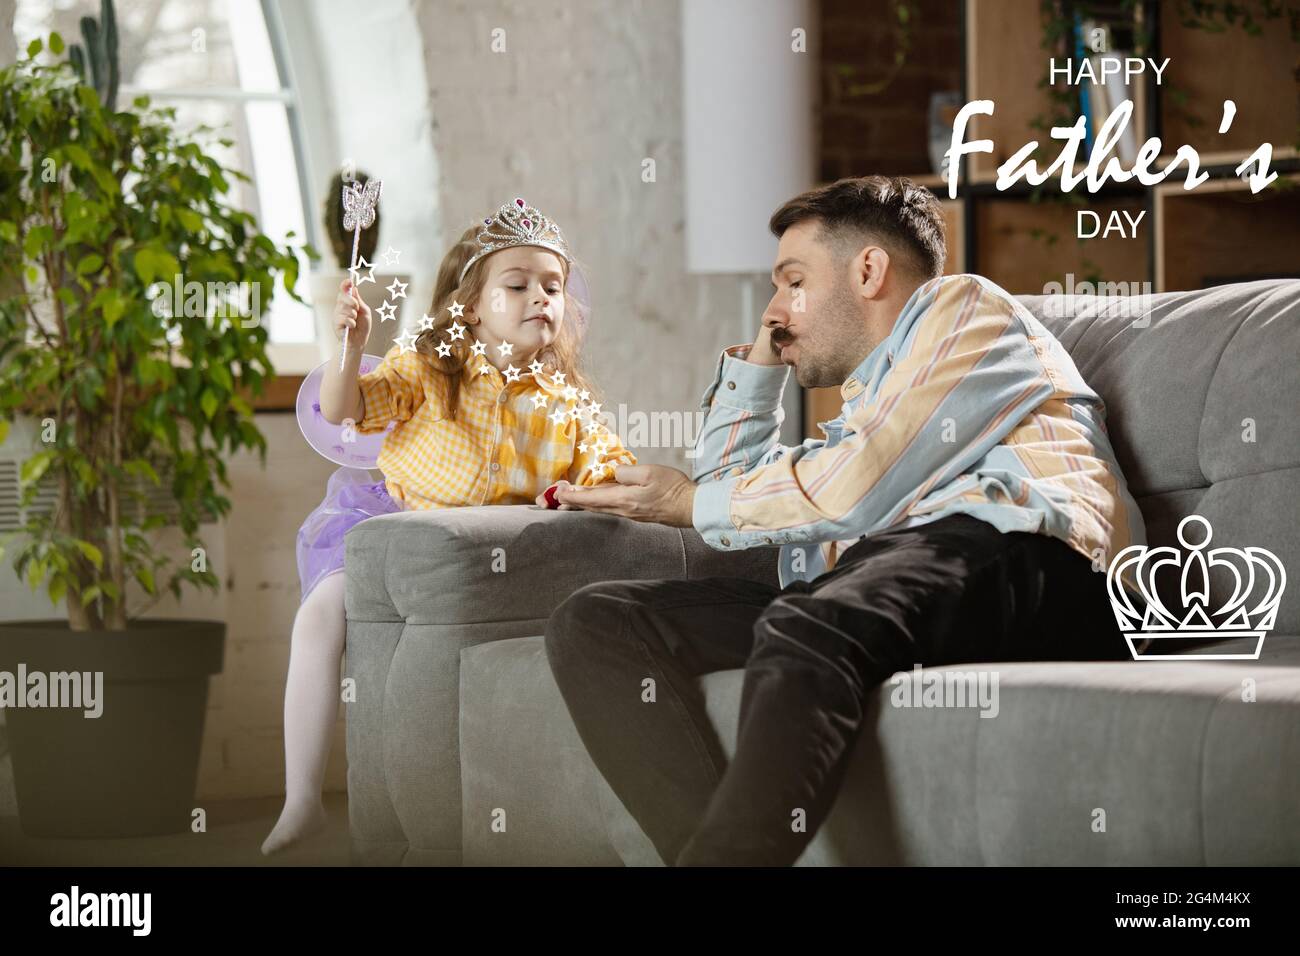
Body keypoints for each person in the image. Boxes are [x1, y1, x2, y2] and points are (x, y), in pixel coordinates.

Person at [543, 175, 1146, 866]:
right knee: (598, 623)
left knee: (807, 622)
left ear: (868, 269)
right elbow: (728, 495)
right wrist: (765, 358)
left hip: (1035, 558)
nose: (774, 306)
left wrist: (684, 504)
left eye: (791, 280)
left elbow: (856, 483)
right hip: (897, 579)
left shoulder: (966, 309)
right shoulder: (861, 413)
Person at [262, 198, 635, 855]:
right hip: (394, 522)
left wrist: (616, 493)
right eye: (517, 284)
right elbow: (346, 410)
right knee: (319, 615)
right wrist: (351, 350)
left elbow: (612, 471)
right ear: (469, 304)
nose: (540, 297)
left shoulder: (567, 405)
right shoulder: (427, 370)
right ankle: (301, 800)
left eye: (553, 286)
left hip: (489, 557)